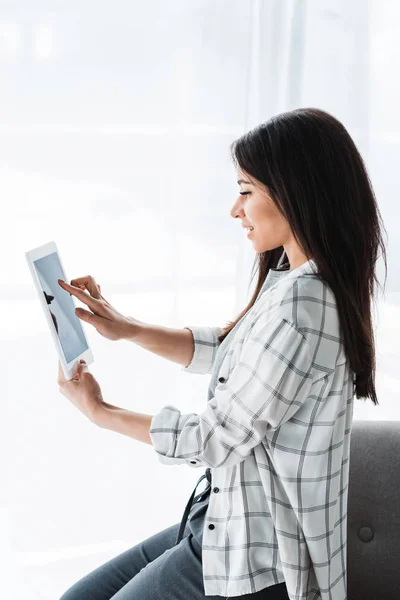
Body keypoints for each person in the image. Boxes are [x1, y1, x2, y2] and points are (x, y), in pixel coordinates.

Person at [57, 107, 387, 600]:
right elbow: (229, 348)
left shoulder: (306, 306)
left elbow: (213, 439)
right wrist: (126, 327)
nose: (235, 210)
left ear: (296, 191)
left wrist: (100, 413)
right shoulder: (291, 281)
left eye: (246, 190)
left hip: (258, 560)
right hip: (218, 521)